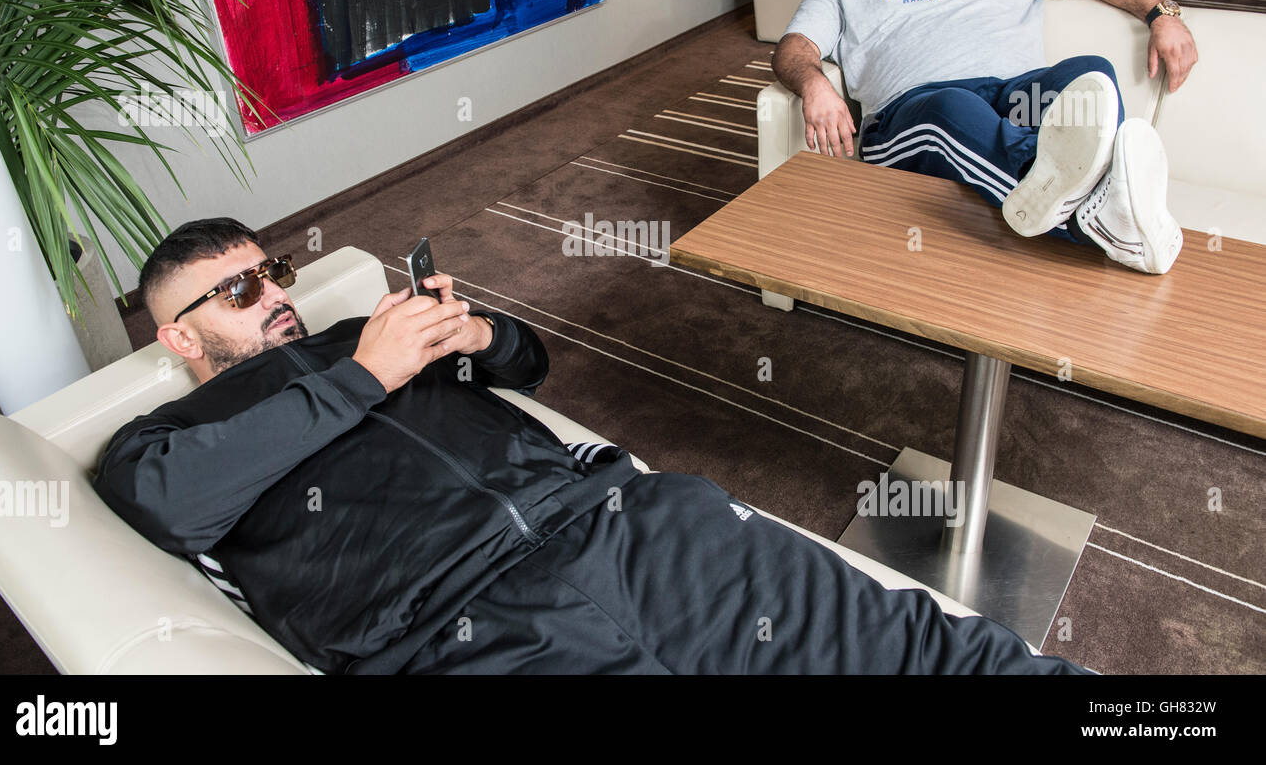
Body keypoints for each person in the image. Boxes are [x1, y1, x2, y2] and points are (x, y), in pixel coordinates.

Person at [94, 218, 1088, 675]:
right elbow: (175, 506)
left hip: (626, 524)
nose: (275, 296)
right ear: (179, 336)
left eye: (272, 271)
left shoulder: (364, 332)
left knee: (909, 646)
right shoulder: (158, 440)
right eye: (239, 291)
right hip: (459, 631)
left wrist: (479, 336)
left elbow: (529, 366)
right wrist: (366, 375)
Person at [773, 0, 1199, 275]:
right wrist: (814, 83)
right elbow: (795, 46)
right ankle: (1090, 221)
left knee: (1091, 73)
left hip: (1016, 97)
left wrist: (1162, 14)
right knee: (952, 107)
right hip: (912, 114)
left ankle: (1099, 198)